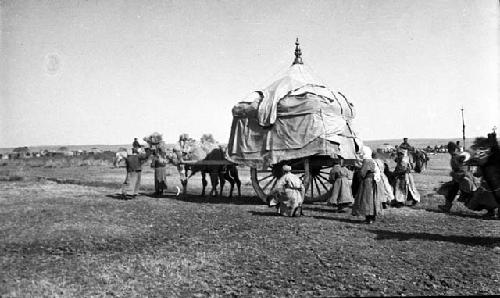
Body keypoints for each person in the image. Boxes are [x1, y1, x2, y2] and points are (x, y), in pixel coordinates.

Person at [437, 142, 478, 213]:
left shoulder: (458, 157)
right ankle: (447, 206)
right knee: (451, 191)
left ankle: (490, 209)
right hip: (459, 178)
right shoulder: (457, 156)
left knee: (471, 194)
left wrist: (456, 174)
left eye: (451, 150)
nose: (450, 151)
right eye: (450, 150)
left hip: (463, 178)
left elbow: (463, 168)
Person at [352, 146, 384, 224]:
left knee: (367, 199)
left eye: (362, 153)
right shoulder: (372, 161)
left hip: (367, 182)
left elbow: (363, 173)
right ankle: (373, 216)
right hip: (373, 181)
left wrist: (358, 174)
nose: (361, 155)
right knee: (373, 198)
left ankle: (369, 217)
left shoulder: (366, 161)